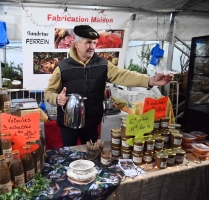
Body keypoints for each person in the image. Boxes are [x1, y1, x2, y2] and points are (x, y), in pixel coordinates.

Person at [44, 25, 173, 147]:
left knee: (92, 155)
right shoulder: (63, 67)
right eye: (88, 42)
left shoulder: (103, 64)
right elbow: (49, 92)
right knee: (70, 155)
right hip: (68, 124)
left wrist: (150, 81)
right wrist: (57, 99)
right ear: (76, 44)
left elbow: (124, 75)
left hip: (91, 124)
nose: (92, 46)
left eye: (94, 42)